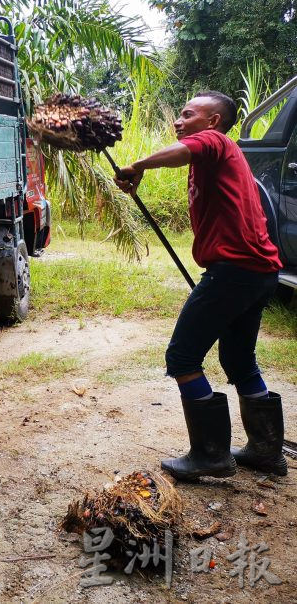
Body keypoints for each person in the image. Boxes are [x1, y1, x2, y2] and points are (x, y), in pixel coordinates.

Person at [115, 91, 287, 481]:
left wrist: (137, 163)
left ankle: (211, 455)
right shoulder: (215, 159)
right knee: (239, 361)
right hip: (257, 271)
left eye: (188, 114)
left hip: (235, 271)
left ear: (212, 121)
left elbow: (183, 150)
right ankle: (265, 451)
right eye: (179, 113)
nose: (179, 120)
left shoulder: (216, 141)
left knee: (182, 357)